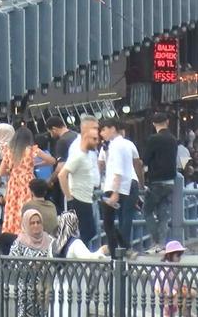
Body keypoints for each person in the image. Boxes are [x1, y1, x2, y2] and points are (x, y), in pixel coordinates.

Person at [50, 211, 109, 317]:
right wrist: (102, 251)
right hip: (73, 286)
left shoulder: (53, 243)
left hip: (57, 284)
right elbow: (90, 258)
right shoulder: (75, 243)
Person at [58, 115, 100, 245]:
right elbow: (62, 174)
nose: (97, 139)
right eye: (94, 129)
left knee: (90, 232)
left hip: (88, 195)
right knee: (82, 234)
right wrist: (70, 198)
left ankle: (87, 259)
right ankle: (82, 261)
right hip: (78, 198)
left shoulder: (87, 152)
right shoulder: (77, 151)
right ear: (86, 132)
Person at [99, 118, 140, 251]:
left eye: (104, 129)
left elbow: (118, 170)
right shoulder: (124, 144)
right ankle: (124, 248)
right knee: (124, 218)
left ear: (113, 129)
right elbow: (136, 163)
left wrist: (115, 192)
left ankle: (119, 251)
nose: (101, 133)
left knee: (108, 222)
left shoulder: (116, 145)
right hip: (125, 185)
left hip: (116, 187)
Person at [143, 112, 179, 253]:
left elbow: (145, 159)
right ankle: (162, 244)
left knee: (147, 211)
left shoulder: (153, 139)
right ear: (167, 122)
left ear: (153, 124)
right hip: (170, 181)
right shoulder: (173, 139)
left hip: (156, 181)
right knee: (163, 214)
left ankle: (156, 241)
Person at [9, 209, 53, 317]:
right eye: (32, 223)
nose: (36, 225)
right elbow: (11, 262)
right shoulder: (20, 241)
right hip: (25, 289)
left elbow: (55, 261)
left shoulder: (49, 240)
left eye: (38, 222)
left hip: (44, 289)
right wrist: (29, 266)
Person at [1, 127, 36, 235]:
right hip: (28, 183)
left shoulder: (9, 151)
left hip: (14, 182)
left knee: (13, 208)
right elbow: (51, 160)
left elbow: (1, 172)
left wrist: (12, 171)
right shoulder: (31, 150)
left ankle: (11, 231)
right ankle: (26, 232)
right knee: (26, 208)